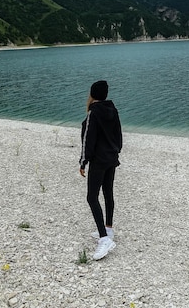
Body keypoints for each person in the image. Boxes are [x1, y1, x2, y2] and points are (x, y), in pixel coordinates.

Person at [79, 80, 123, 260]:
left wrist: (83, 162)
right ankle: (108, 229)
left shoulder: (93, 113)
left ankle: (104, 239)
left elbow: (88, 139)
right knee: (108, 193)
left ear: (92, 95)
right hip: (112, 158)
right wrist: (116, 151)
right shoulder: (113, 110)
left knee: (91, 197)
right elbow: (119, 135)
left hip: (99, 160)